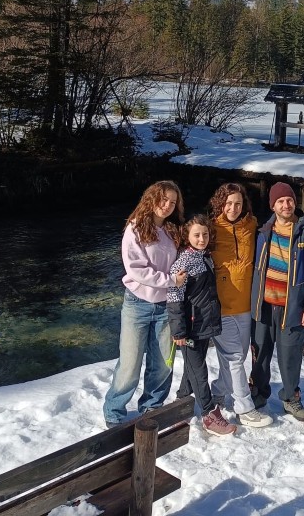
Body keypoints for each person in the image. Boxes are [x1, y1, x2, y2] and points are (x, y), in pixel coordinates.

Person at [102, 180, 184, 428]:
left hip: (166, 306)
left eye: (173, 202)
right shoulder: (136, 228)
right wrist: (171, 281)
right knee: (129, 363)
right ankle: (114, 412)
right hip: (137, 304)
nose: (167, 205)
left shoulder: (173, 230)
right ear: (152, 199)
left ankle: (152, 408)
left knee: (162, 364)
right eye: (163, 199)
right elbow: (136, 270)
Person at [250, 181, 304, 422]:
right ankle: (258, 394)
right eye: (280, 201)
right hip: (263, 306)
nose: (286, 205)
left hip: (292, 309)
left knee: (290, 357)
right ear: (272, 206)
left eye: (289, 200)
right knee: (260, 354)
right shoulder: (262, 232)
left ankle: (291, 398)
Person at [208, 183, 273, 428]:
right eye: (228, 203)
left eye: (238, 203)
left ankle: (217, 391)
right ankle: (244, 408)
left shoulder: (251, 225)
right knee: (235, 357)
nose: (233, 208)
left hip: (246, 305)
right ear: (220, 204)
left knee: (238, 355)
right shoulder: (210, 229)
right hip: (220, 306)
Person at [167, 215, 235, 436]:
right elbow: (174, 295)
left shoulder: (205, 256)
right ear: (187, 236)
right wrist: (178, 330)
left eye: (205, 234)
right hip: (190, 327)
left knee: (193, 365)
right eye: (196, 235)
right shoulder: (184, 261)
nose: (201, 239)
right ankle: (208, 413)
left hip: (204, 323)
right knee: (198, 369)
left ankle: (181, 402)